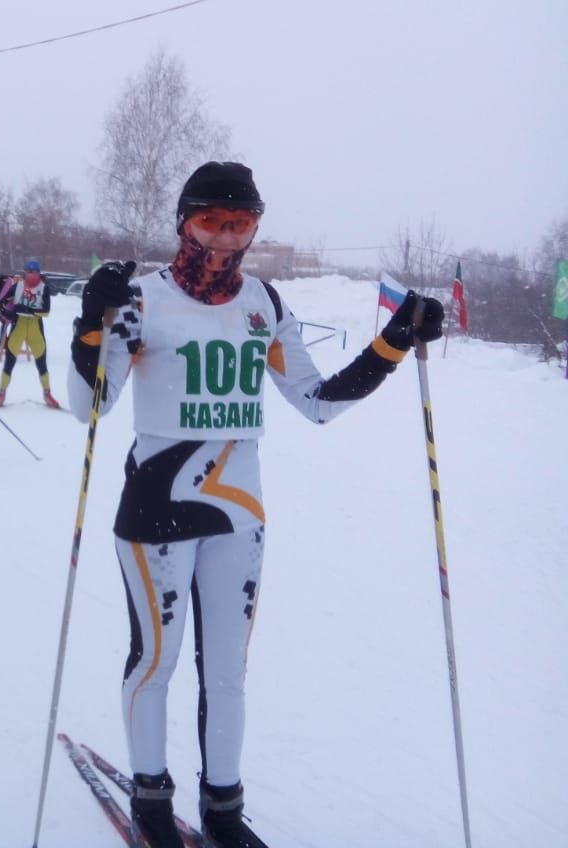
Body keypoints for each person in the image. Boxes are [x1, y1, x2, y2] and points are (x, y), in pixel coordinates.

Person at [67, 162, 444, 848]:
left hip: (239, 511)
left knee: (229, 674)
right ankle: (151, 799)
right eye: (211, 220)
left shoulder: (262, 303)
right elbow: (86, 405)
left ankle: (223, 810)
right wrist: (92, 324)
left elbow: (318, 402)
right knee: (157, 660)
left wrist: (394, 342)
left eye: (241, 223)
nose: (224, 236)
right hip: (155, 506)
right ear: (184, 221)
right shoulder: (141, 299)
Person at [0, 259, 59, 409]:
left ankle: (47, 393)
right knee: (9, 362)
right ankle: (1, 394)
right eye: (29, 271)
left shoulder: (43, 288)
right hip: (18, 327)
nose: (32, 275)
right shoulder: (17, 286)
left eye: (35, 272)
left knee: (41, 362)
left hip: (35, 328)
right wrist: (7, 313)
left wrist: (27, 310)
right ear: (25, 272)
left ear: (39, 273)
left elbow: (46, 312)